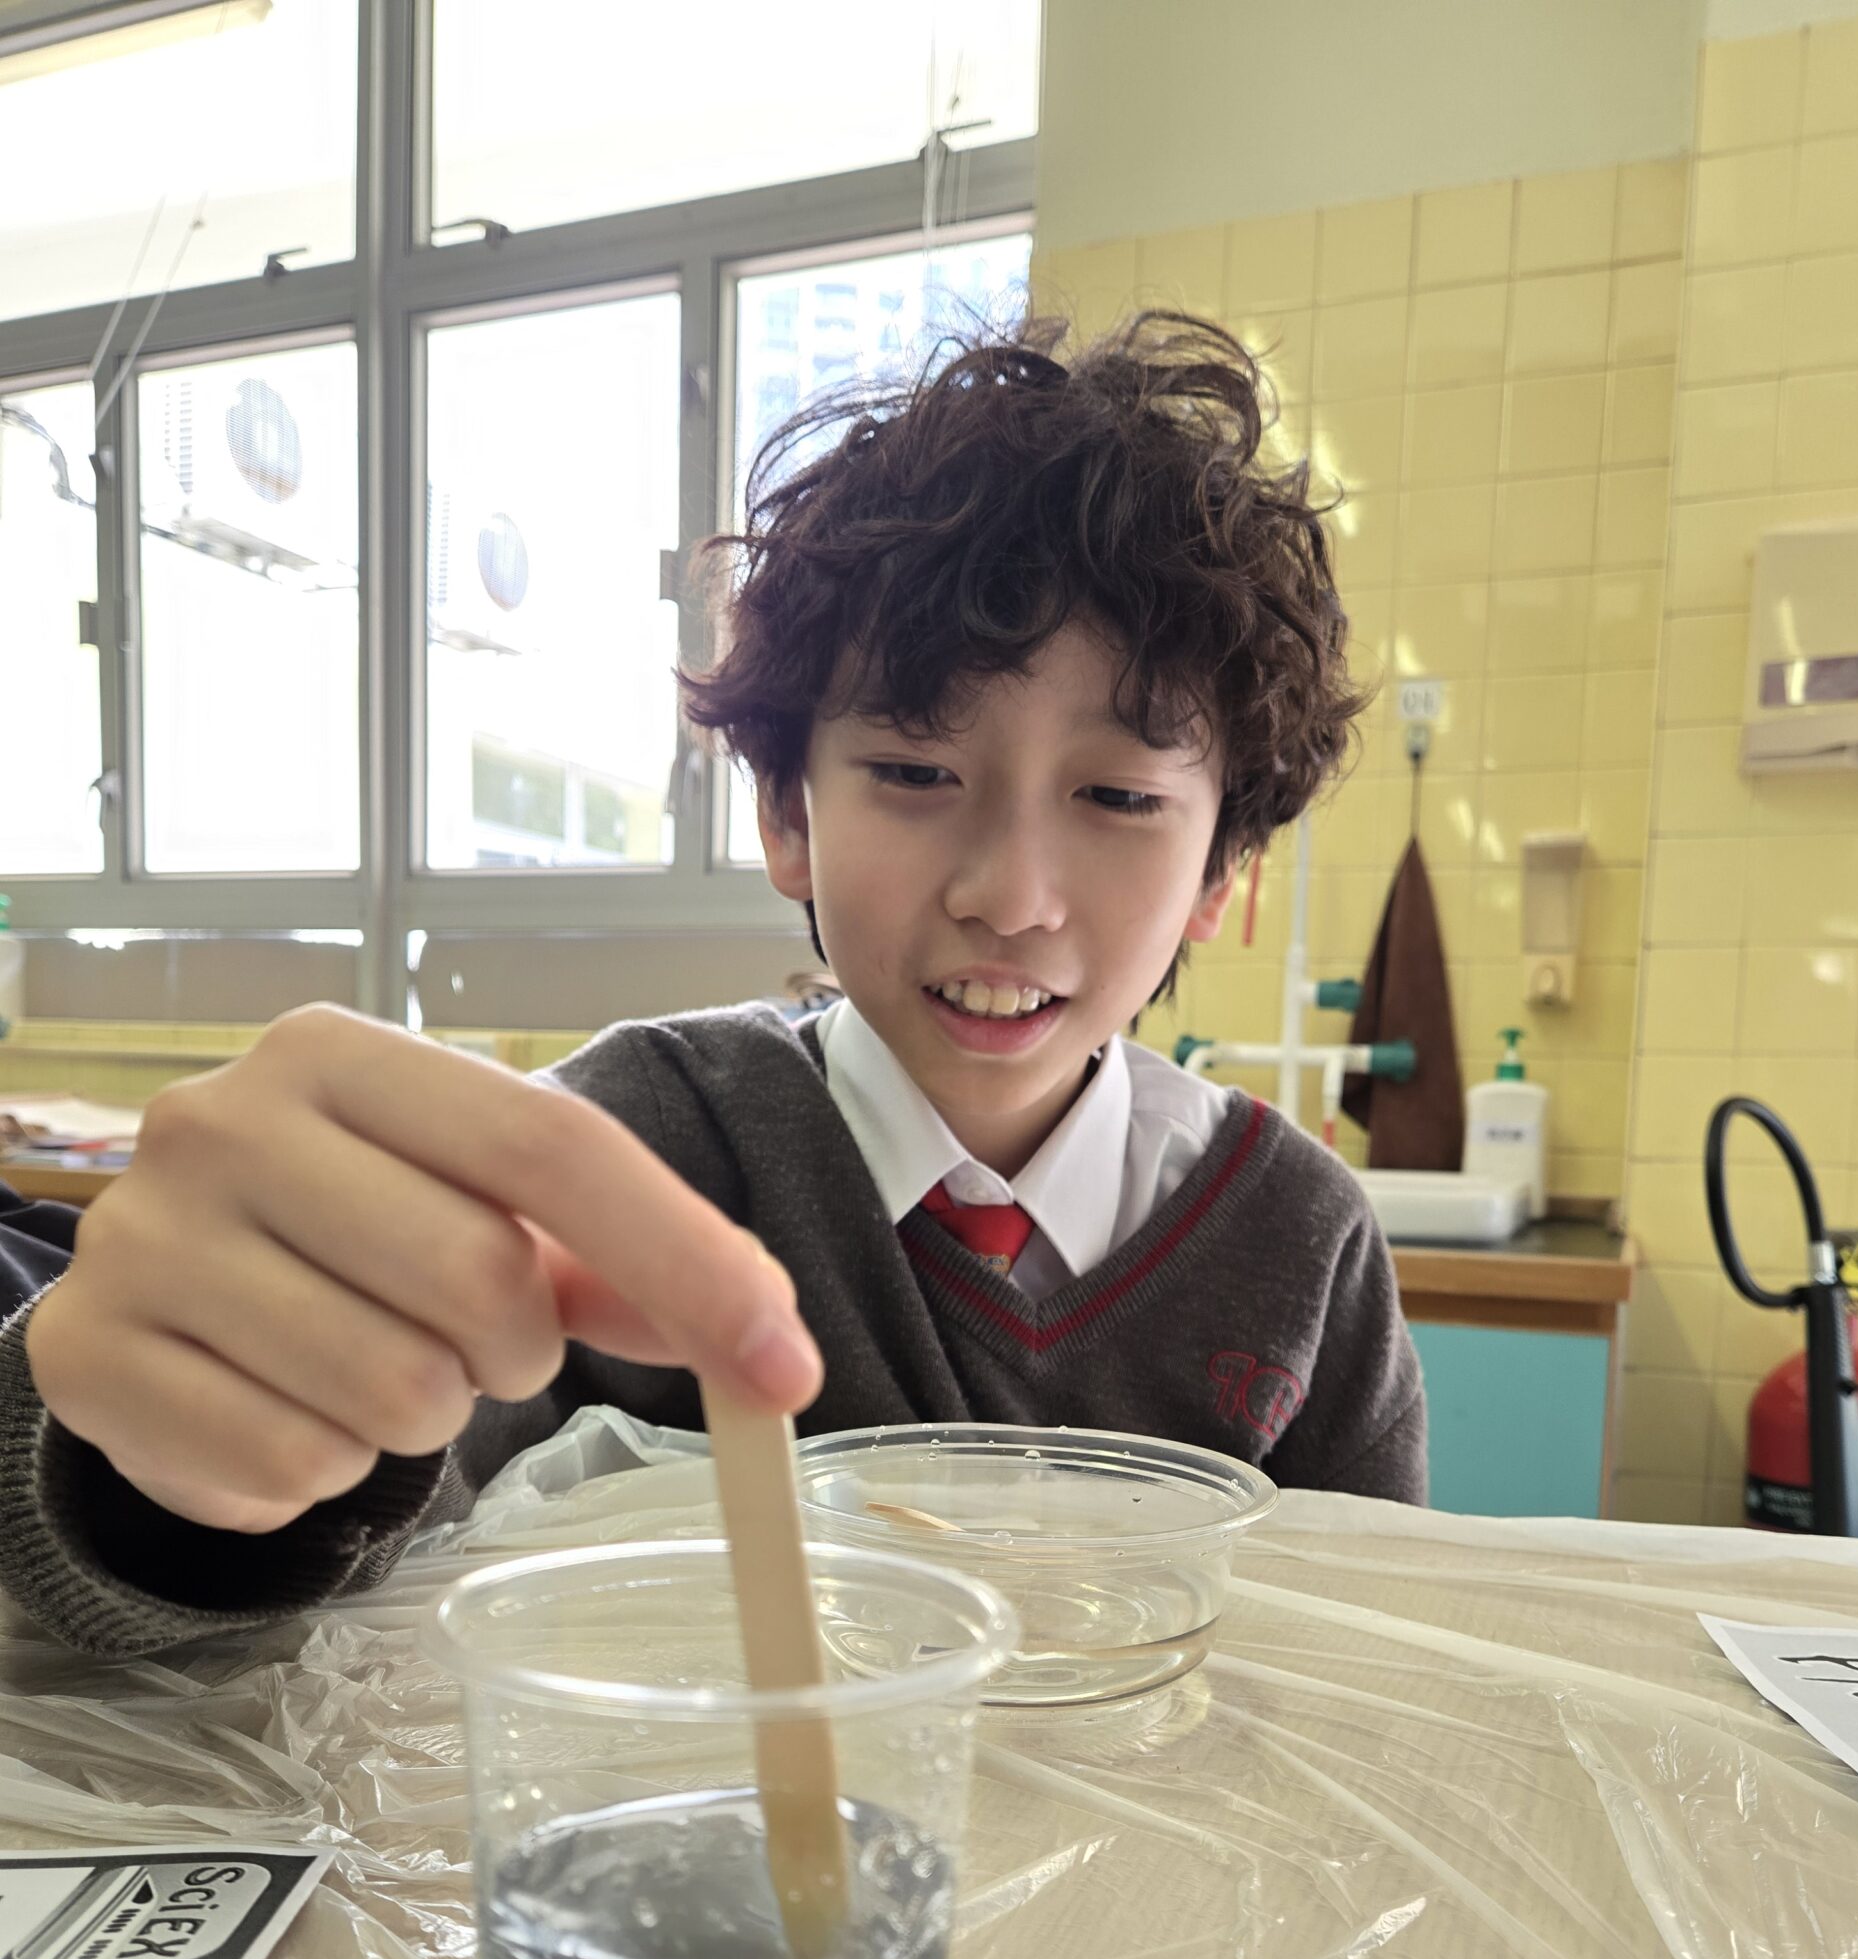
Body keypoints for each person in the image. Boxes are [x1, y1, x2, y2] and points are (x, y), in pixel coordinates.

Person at [0, 311, 1424, 1661]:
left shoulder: (1300, 1244)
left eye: (1117, 796)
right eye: (915, 771)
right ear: (787, 817)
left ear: (1222, 871)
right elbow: (305, 1576)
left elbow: (1380, 1670)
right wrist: (167, 1487)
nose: (1010, 895)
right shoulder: (631, 1150)